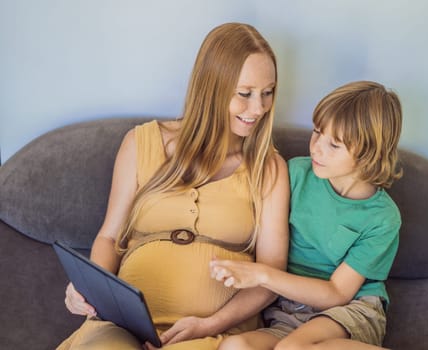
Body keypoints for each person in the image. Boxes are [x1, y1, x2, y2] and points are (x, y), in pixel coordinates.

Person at [58, 22, 290, 350]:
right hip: (121, 324)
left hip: (214, 333)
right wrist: (86, 287)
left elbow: (271, 276)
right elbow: (108, 237)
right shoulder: (141, 143)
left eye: (268, 92)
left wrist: (209, 325)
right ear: (212, 87)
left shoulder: (270, 169)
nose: (259, 108)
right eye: (245, 93)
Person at [210, 80, 403, 350]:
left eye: (334, 145)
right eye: (316, 132)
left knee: (292, 349)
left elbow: (337, 293)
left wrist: (262, 275)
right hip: (287, 311)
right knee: (235, 346)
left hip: (349, 309)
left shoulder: (382, 217)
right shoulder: (295, 174)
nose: (316, 148)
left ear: (370, 154)